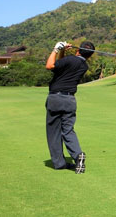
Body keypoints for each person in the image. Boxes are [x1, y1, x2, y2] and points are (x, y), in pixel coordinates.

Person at [45, 40, 95, 173]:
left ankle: (59, 163)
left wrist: (56, 49)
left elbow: (50, 65)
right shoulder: (83, 66)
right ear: (89, 56)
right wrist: (63, 51)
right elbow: (60, 67)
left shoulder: (70, 60)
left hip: (55, 98)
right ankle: (78, 155)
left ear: (78, 50)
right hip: (70, 100)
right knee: (68, 130)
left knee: (54, 132)